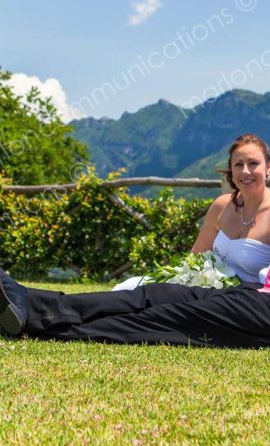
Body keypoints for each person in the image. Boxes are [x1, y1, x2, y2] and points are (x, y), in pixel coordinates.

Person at [1, 132, 270, 348]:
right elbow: (197, 256)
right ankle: (27, 301)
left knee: (159, 318)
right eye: (238, 164)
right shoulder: (224, 205)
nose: (245, 171)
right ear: (230, 170)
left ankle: (39, 327)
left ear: (267, 168)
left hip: (254, 299)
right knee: (153, 294)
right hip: (232, 290)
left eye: (253, 163)